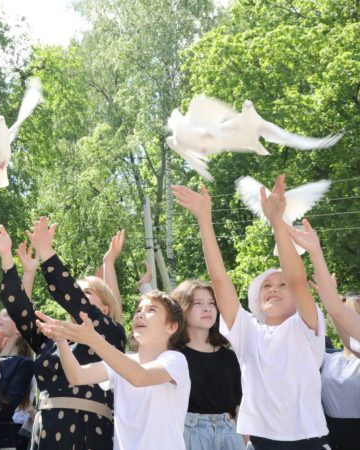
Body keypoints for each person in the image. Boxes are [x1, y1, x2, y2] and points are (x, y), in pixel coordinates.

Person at [173, 177, 328, 449]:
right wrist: (204, 221)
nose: (273, 289)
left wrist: (277, 223)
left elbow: (297, 280)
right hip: (259, 442)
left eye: (281, 285)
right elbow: (220, 282)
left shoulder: (306, 328)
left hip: (308, 441)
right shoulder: (249, 332)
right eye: (266, 285)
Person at [0, 218, 126, 449]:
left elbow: (72, 297)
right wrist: (7, 257)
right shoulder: (53, 336)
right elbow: (19, 309)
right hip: (44, 430)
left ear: (105, 308)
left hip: (87, 430)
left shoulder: (112, 334)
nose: (79, 296)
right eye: (79, 291)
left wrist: (46, 250)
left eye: (87, 292)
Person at [35, 290, 190, 450]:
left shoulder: (175, 360)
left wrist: (94, 339)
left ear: (171, 327)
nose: (140, 315)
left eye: (152, 310)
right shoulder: (123, 362)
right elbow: (77, 376)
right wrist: (61, 341)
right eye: (138, 310)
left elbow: (139, 377)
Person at [284, 221, 360, 450]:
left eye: (353, 313)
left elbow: (337, 310)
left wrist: (316, 252)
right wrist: (314, 252)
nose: (348, 315)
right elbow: (336, 311)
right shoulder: (328, 358)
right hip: (332, 437)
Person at [170, 280, 243, 450]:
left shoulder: (229, 356)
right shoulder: (173, 356)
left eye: (211, 303)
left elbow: (239, 407)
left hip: (230, 437)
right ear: (182, 308)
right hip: (188, 437)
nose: (207, 308)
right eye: (198, 303)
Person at [0, 308, 33, 450]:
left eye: (7, 314)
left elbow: (6, 403)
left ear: (19, 329)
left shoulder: (24, 364)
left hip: (8, 436)